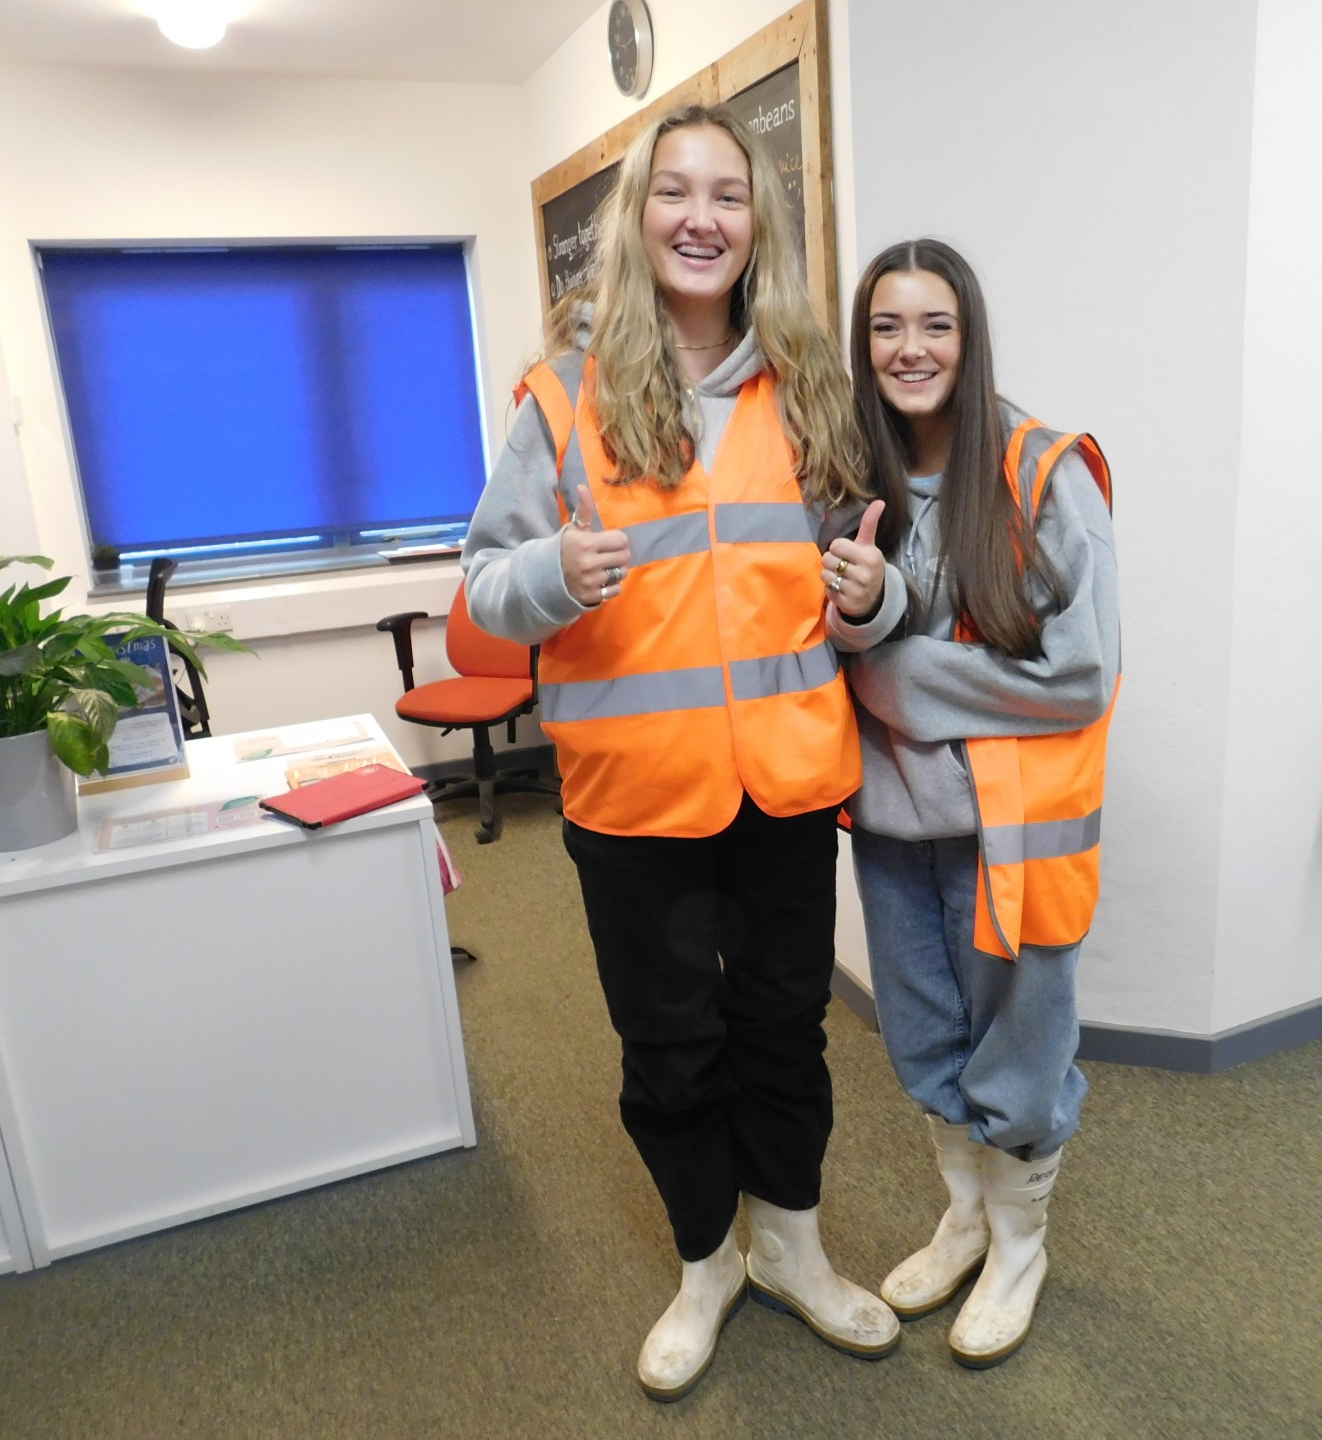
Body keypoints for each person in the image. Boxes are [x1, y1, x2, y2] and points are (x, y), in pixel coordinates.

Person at [462, 104, 906, 1402]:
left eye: (729, 193)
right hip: (632, 796)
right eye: (676, 192)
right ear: (638, 219)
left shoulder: (810, 385)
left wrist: (872, 596)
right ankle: (708, 1261)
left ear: (758, 222)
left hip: (784, 784)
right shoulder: (563, 397)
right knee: (668, 1045)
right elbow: (484, 589)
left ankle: (796, 1251)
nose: (702, 217)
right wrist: (552, 570)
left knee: (784, 1031)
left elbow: (860, 578)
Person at [842, 238, 1119, 1369]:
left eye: (935, 325)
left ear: (971, 336)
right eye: (887, 327)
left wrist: (897, 671)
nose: (910, 349)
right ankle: (966, 1220)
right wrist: (864, 618)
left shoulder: (1043, 473)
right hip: (890, 827)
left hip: (1010, 831)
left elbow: (1082, 676)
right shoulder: (848, 474)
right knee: (923, 1037)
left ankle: (1020, 1247)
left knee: (1022, 1049)